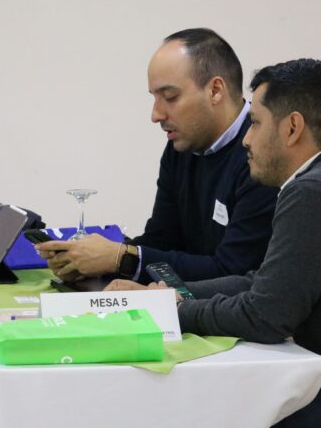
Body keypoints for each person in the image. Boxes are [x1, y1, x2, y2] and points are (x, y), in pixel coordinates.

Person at [105, 58, 321, 427]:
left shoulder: (308, 192)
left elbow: (265, 315)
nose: (247, 139)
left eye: (255, 123)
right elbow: (264, 282)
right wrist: (173, 295)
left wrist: (173, 312)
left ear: (292, 128)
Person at [38, 28, 278, 283]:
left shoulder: (263, 158)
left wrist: (121, 258)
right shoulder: (181, 147)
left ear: (215, 90)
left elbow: (232, 272)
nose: (156, 115)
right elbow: (162, 239)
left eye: (170, 97)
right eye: (155, 98)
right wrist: (94, 261)